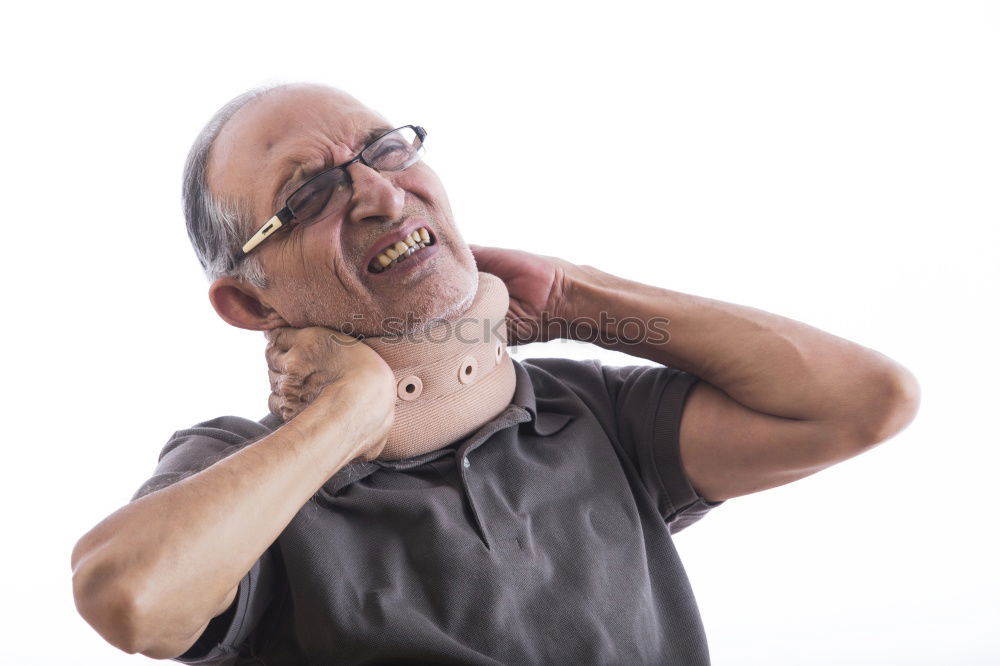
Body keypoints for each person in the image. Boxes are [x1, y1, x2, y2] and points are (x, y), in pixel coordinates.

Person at [70, 83, 920, 665]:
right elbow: (131, 598)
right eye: (310, 193)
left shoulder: (595, 418)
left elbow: (866, 401)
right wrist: (346, 415)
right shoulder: (243, 473)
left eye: (385, 149)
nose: (379, 195)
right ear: (252, 308)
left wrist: (574, 299)